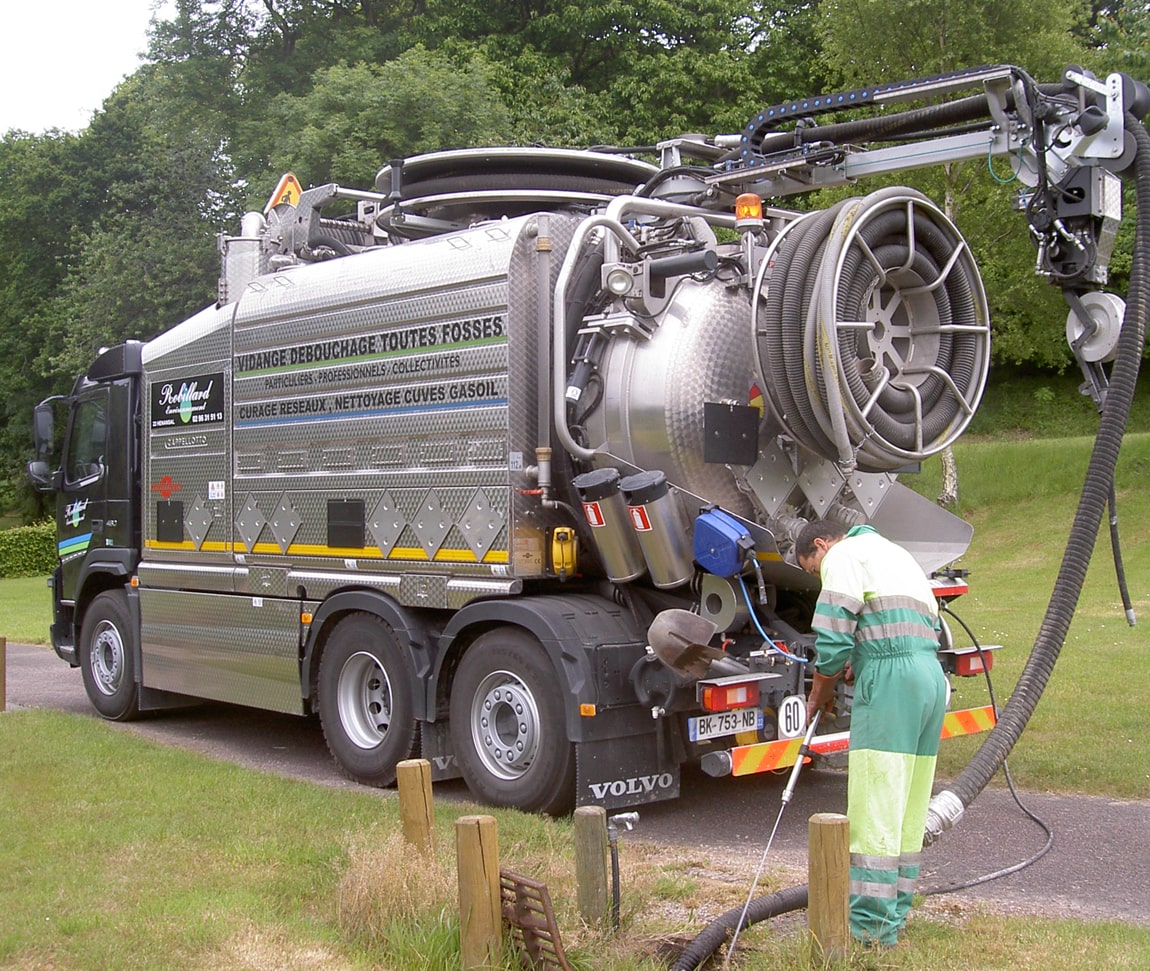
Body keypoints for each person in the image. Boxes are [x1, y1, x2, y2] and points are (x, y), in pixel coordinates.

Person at [795, 519, 946, 948]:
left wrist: (819, 691)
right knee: (908, 804)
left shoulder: (843, 556)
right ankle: (893, 915)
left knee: (876, 801)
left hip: (891, 680)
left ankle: (868, 930)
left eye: (811, 568)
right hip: (930, 677)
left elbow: (832, 635)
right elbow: (896, 624)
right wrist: (863, 655)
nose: (817, 576)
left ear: (822, 544)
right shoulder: (895, 553)